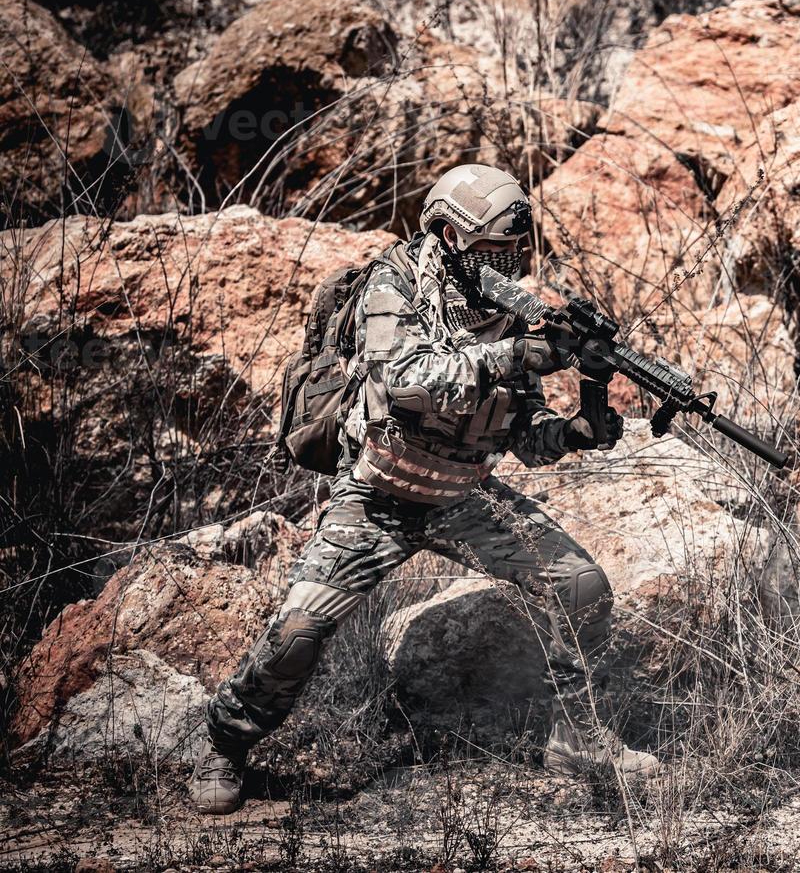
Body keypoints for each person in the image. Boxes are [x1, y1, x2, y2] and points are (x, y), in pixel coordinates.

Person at [191, 165, 659, 816]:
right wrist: (515, 356)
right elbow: (405, 378)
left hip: (465, 492)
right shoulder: (396, 282)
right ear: (447, 234)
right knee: (298, 633)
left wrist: (582, 422)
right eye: (495, 250)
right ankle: (225, 744)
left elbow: (528, 438)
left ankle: (575, 736)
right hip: (377, 495)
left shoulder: (506, 308)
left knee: (581, 587)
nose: (510, 263)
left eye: (516, 251)